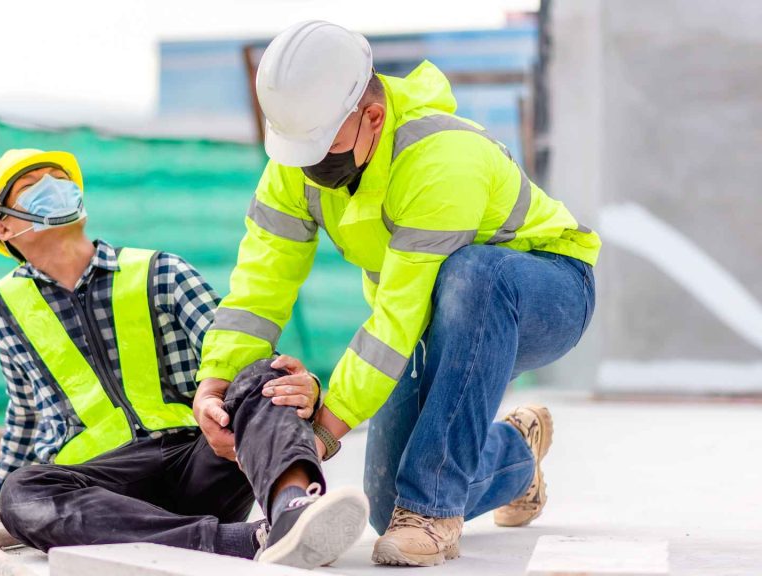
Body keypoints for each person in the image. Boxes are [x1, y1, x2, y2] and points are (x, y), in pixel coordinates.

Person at [195, 21, 600, 568]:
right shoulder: (296, 166)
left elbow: (398, 317)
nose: (313, 165)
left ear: (373, 117)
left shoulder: (441, 158)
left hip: (544, 293)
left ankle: (434, 513)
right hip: (433, 317)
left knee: (471, 275)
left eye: (324, 145)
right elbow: (259, 285)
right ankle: (516, 458)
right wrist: (217, 385)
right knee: (388, 504)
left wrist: (322, 430)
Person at [0, 149, 368, 568]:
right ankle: (244, 541)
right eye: (31, 186)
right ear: (3, 227)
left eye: (61, 181)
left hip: (196, 456)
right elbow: (26, 414)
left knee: (259, 372)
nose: (53, 188)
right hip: (102, 486)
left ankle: (292, 509)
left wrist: (304, 387)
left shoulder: (161, 272)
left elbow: (238, 350)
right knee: (21, 493)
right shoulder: (1, 306)